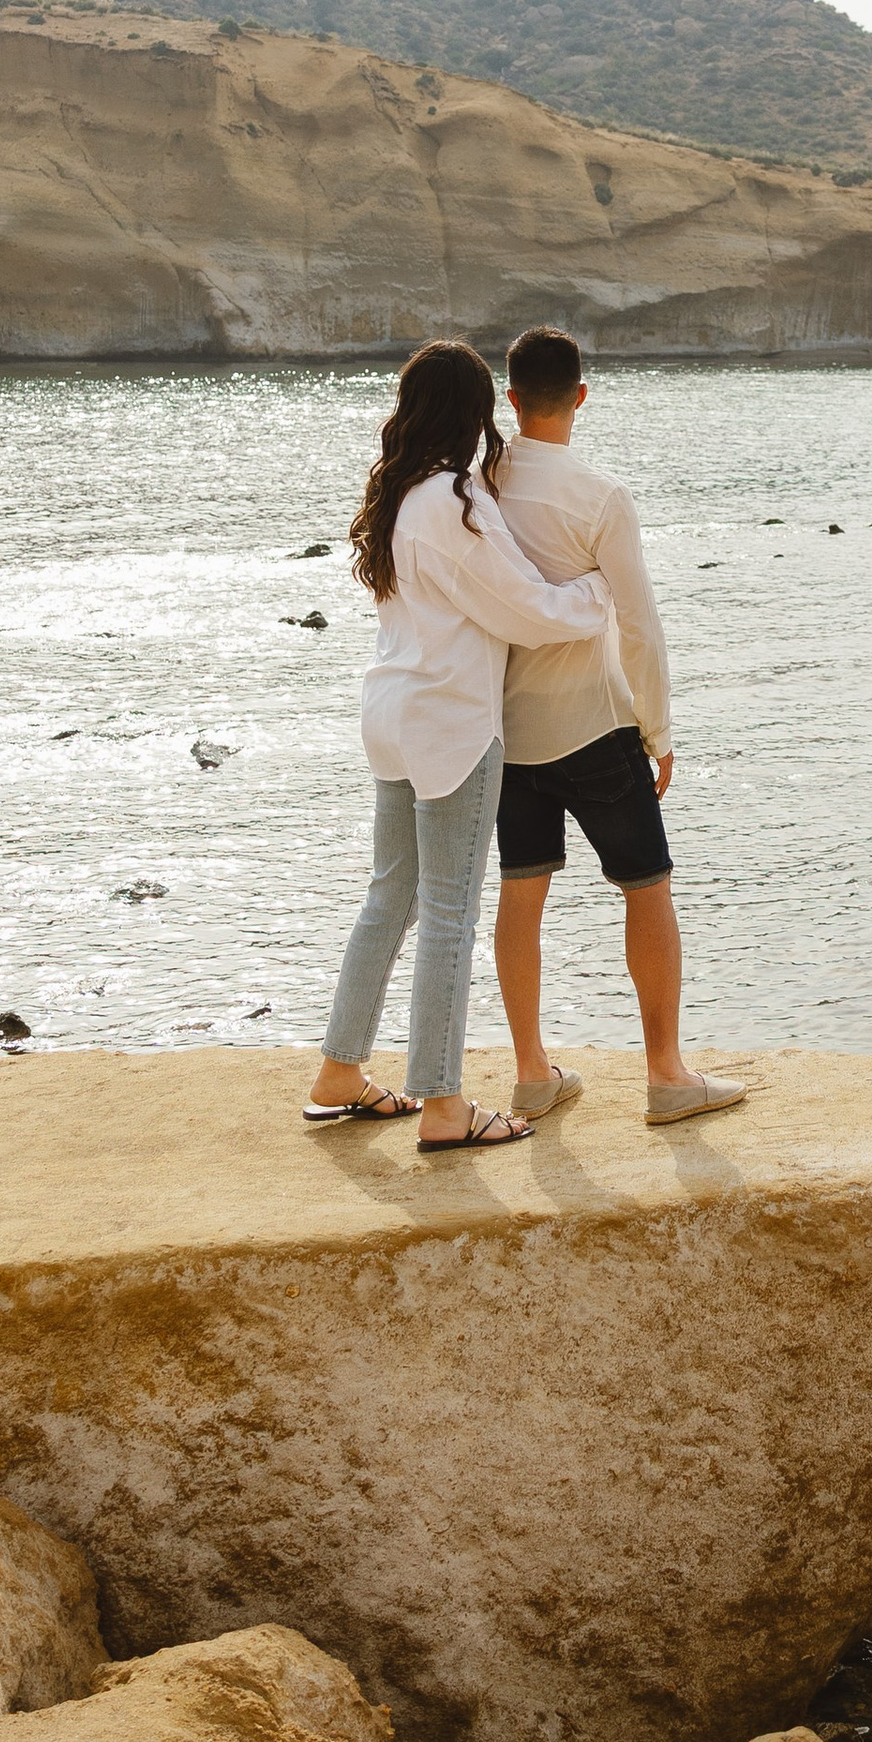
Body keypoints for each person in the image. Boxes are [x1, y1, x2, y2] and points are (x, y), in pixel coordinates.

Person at [307, 339, 614, 1154]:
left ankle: (340, 1073)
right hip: (449, 720)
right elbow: (525, 610)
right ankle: (444, 1106)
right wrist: (599, 589)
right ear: (477, 412)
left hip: (391, 712)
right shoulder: (456, 499)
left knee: (391, 899)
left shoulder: (401, 492)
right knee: (448, 912)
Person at [491, 325, 746, 1127]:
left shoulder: (478, 483)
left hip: (508, 732)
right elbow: (638, 624)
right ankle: (667, 1076)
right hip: (597, 725)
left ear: (510, 398)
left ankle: (532, 1072)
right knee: (648, 888)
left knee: (521, 892)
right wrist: (658, 730)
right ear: (581, 396)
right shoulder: (600, 496)